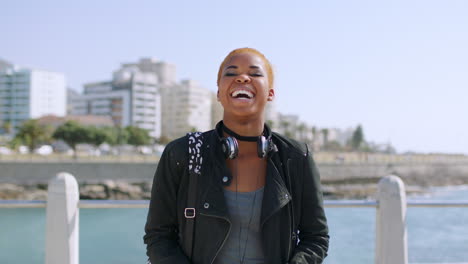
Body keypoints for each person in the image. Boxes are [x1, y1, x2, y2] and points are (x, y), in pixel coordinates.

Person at [144, 48, 329, 264]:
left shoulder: (297, 158)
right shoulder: (182, 153)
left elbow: (316, 238)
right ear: (219, 92)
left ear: (270, 92)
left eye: (255, 73)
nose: (242, 77)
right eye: (231, 73)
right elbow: (158, 237)